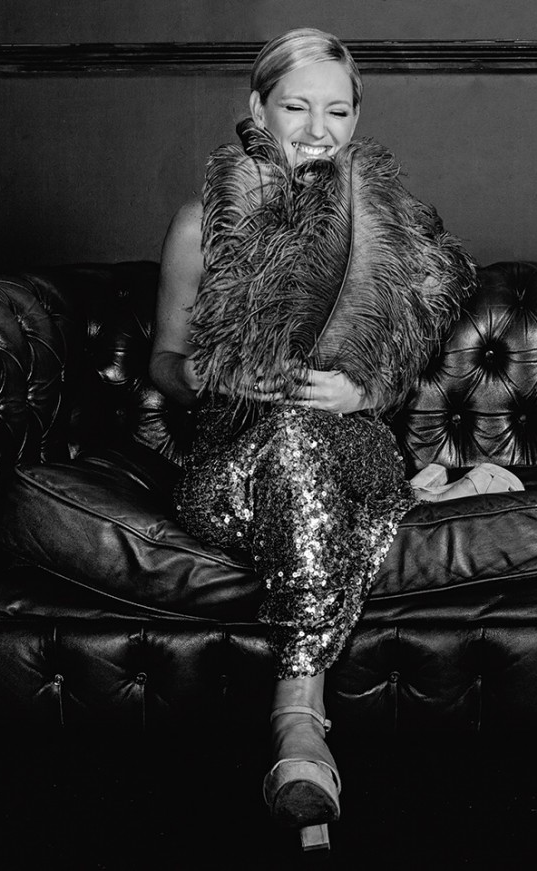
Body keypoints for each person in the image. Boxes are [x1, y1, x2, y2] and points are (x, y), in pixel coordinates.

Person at [149, 27, 510, 851]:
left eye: (338, 111)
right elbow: (162, 363)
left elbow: (404, 357)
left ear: (356, 119)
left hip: (351, 451)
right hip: (230, 466)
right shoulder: (201, 220)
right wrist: (213, 374)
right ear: (257, 109)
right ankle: (424, 499)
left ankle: (298, 722)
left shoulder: (383, 223)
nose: (318, 129)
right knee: (285, 434)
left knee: (305, 434)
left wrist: (362, 391)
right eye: (296, 107)